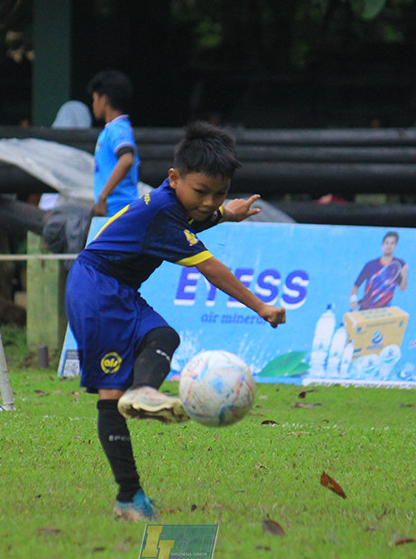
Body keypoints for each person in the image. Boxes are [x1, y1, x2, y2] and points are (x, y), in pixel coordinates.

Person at [65, 121, 286, 521]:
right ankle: (128, 497)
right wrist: (260, 306)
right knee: (111, 395)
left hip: (116, 288)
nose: (208, 200)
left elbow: (196, 218)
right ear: (173, 178)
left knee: (163, 335)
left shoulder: (173, 204)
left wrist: (224, 213)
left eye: (217, 192)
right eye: (201, 191)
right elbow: (211, 268)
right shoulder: (164, 212)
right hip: (96, 288)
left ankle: (144, 391)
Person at [88, 70, 140, 217]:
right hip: (114, 210)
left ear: (103, 100)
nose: (93, 105)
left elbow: (127, 158)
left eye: (94, 99)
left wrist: (103, 196)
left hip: (119, 210)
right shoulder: (113, 129)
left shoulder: (117, 129)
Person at [349, 230, 408, 311]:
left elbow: (402, 288)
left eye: (392, 243)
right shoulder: (370, 265)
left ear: (395, 246)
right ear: (382, 245)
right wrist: (353, 301)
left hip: (384, 313)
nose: (389, 246)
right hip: (366, 311)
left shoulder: (399, 264)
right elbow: (355, 287)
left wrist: (405, 274)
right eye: (387, 243)